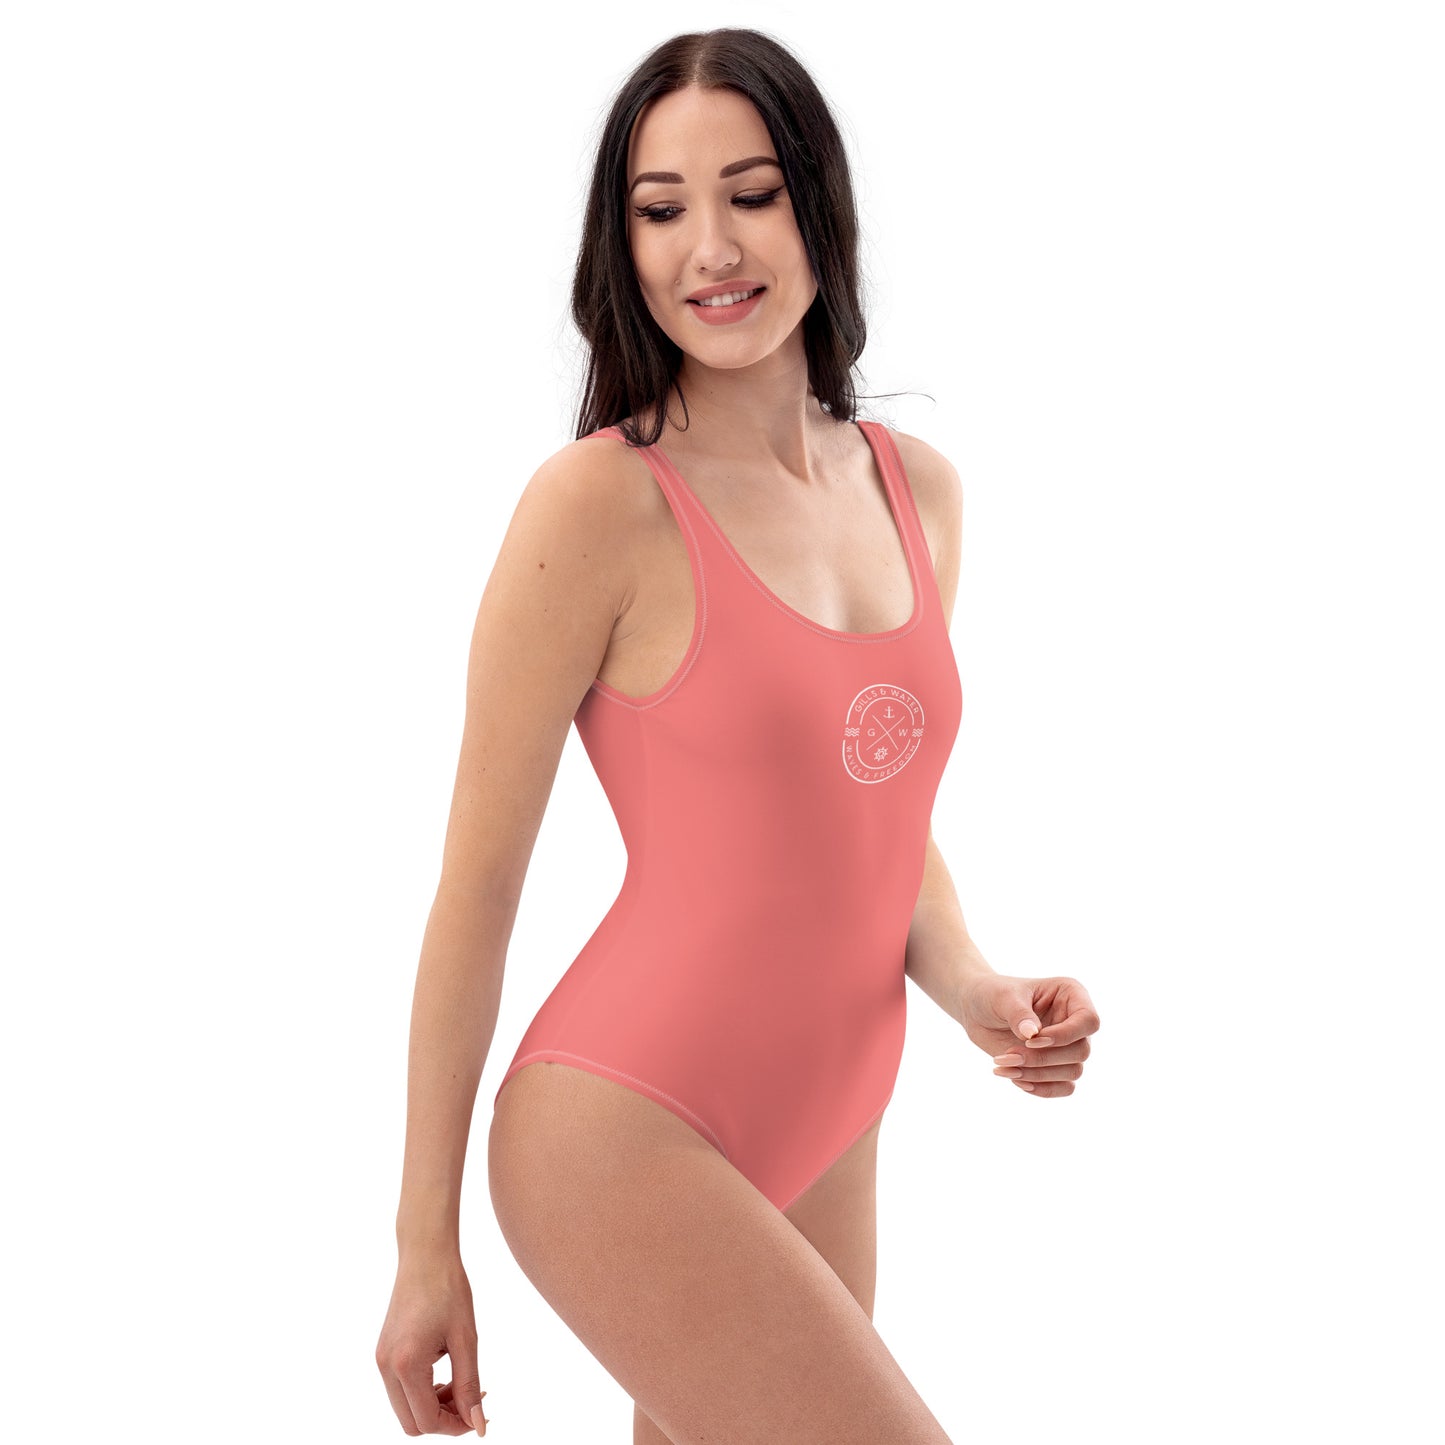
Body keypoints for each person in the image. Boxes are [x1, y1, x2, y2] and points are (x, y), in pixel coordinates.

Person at [375, 26, 1100, 1444]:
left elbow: (871, 813)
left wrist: (974, 987)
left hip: (835, 1108)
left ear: (819, 206)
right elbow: (478, 888)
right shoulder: (599, 505)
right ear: (624, 245)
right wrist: (422, 1247)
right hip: (620, 1123)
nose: (709, 247)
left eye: (752, 194)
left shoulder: (918, 491)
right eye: (661, 210)